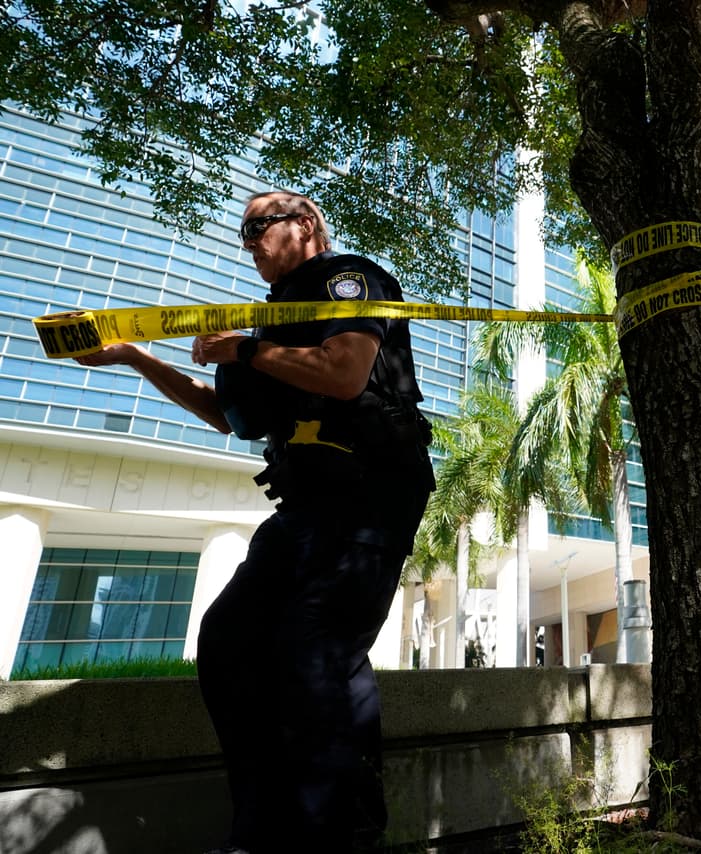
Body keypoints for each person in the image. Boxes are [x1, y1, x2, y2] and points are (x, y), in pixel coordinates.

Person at [76, 190, 434, 853]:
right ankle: (264, 829)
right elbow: (227, 417)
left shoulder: (347, 278)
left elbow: (346, 374)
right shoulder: (271, 320)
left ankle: (338, 836)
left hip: (369, 495)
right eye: (244, 231)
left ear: (302, 226)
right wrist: (136, 356)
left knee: (314, 652)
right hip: (303, 507)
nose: (247, 242)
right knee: (229, 642)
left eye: (256, 227)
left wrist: (243, 351)